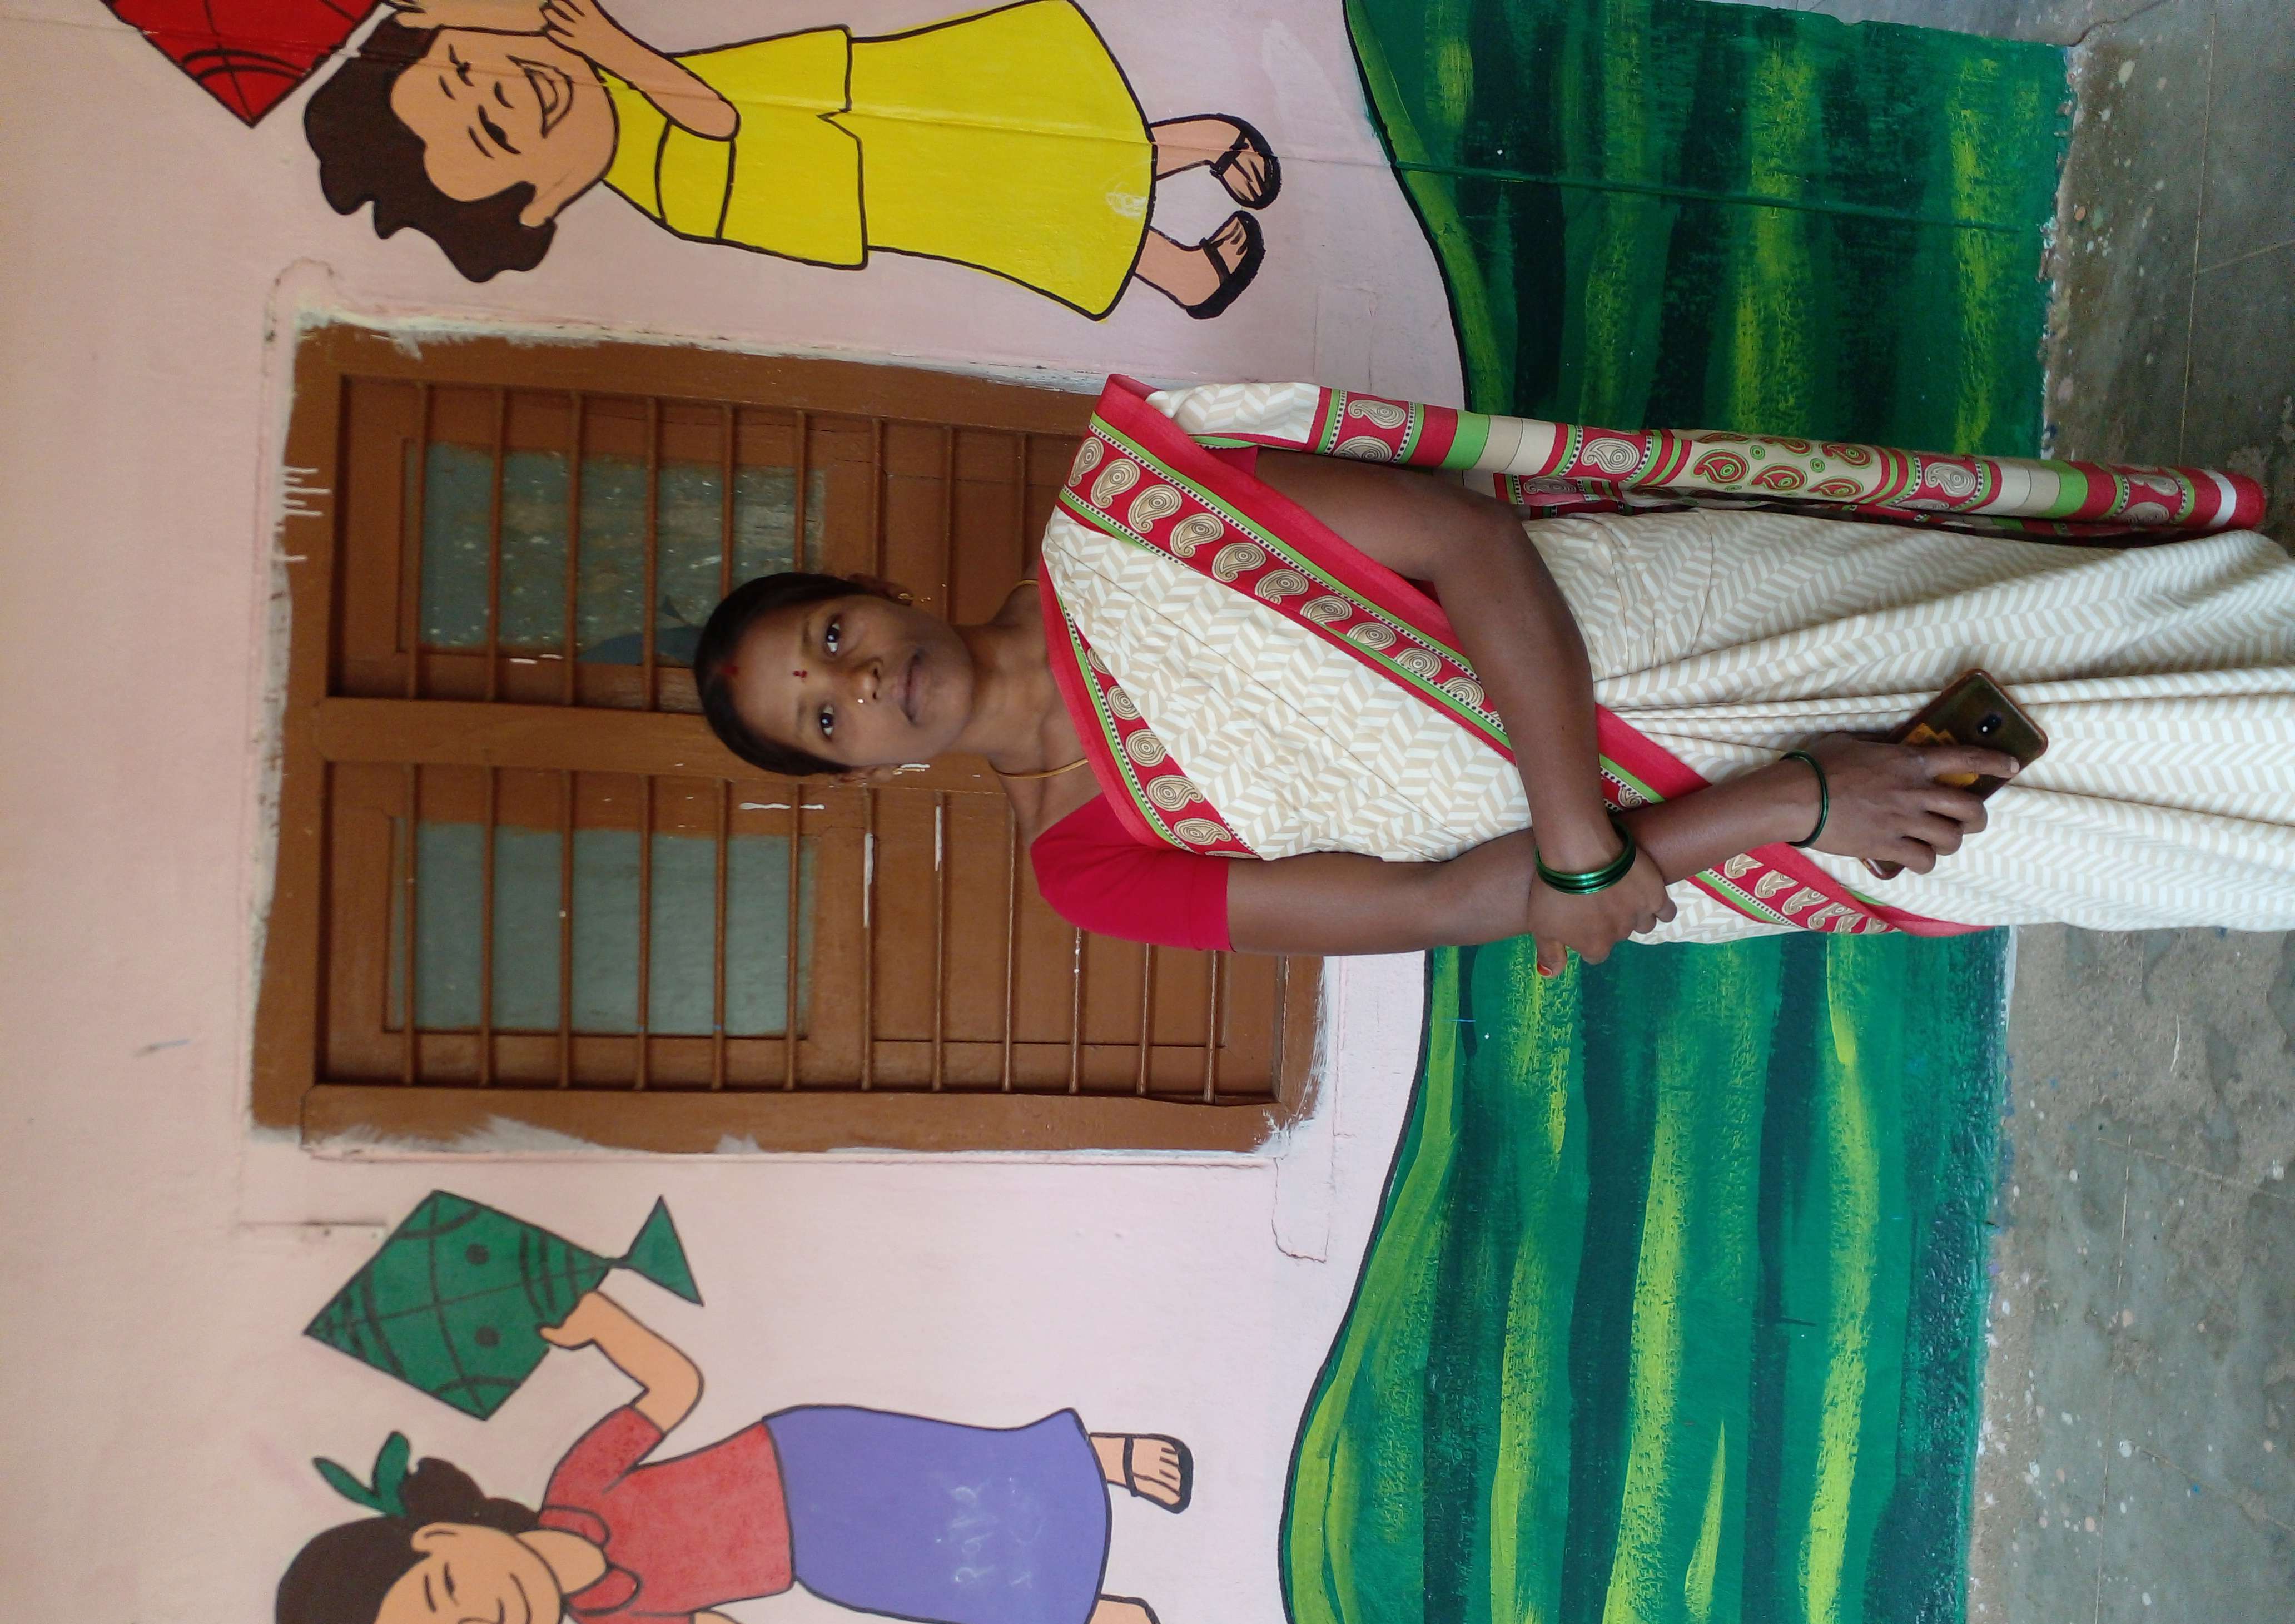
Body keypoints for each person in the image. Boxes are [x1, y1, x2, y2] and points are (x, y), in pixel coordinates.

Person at [689, 378, 2295, 969]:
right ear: (860, 774)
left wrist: (1596, 847)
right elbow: (1428, 903)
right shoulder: (1088, 868)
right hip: (1721, 847)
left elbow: (1464, 543)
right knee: (2096, 841)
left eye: (830, 639)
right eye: (822, 721)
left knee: (2097, 640)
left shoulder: (1130, 527)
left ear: (875, 592)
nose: (859, 684)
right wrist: (1794, 807)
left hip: (1686, 624)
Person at [276, 1291, 1192, 1624]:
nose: (484, 1622)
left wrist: (603, 1325)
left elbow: (671, 1390)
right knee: (955, 1581)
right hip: (823, 1562)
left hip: (808, 1458)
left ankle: (1104, 1458)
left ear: (441, 1537)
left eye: (445, 1596)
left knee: (966, 1477)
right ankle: (1112, 1620)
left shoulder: (577, 1489)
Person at [302, 0, 1275, 316]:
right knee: (1031, 193)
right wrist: (611, 45)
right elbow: (721, 121)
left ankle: (1190, 155)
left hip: (866, 110)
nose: (508, 93)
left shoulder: (615, 100)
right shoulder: (663, 182)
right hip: (875, 175)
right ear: (536, 204)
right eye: (495, 134)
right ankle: (1178, 264)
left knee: (1033, 119)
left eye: (466, 67)